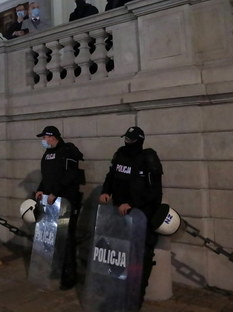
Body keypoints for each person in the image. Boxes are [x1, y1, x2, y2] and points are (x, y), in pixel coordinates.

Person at [98, 126, 163, 308]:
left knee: (140, 259)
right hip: (119, 217)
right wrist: (106, 191)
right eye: (126, 138)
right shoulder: (120, 154)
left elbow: (155, 194)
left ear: (139, 141)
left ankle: (135, 300)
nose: (127, 142)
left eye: (131, 140)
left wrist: (133, 205)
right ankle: (119, 294)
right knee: (119, 256)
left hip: (141, 218)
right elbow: (111, 175)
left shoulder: (148, 159)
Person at [35, 125, 84, 290]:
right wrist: (41, 189)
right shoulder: (48, 153)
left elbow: (70, 176)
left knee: (67, 239)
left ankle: (69, 276)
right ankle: (56, 270)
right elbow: (48, 177)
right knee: (53, 238)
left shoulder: (67, 151)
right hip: (51, 203)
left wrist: (55, 192)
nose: (43, 141)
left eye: (44, 138)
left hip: (66, 202)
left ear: (52, 137)